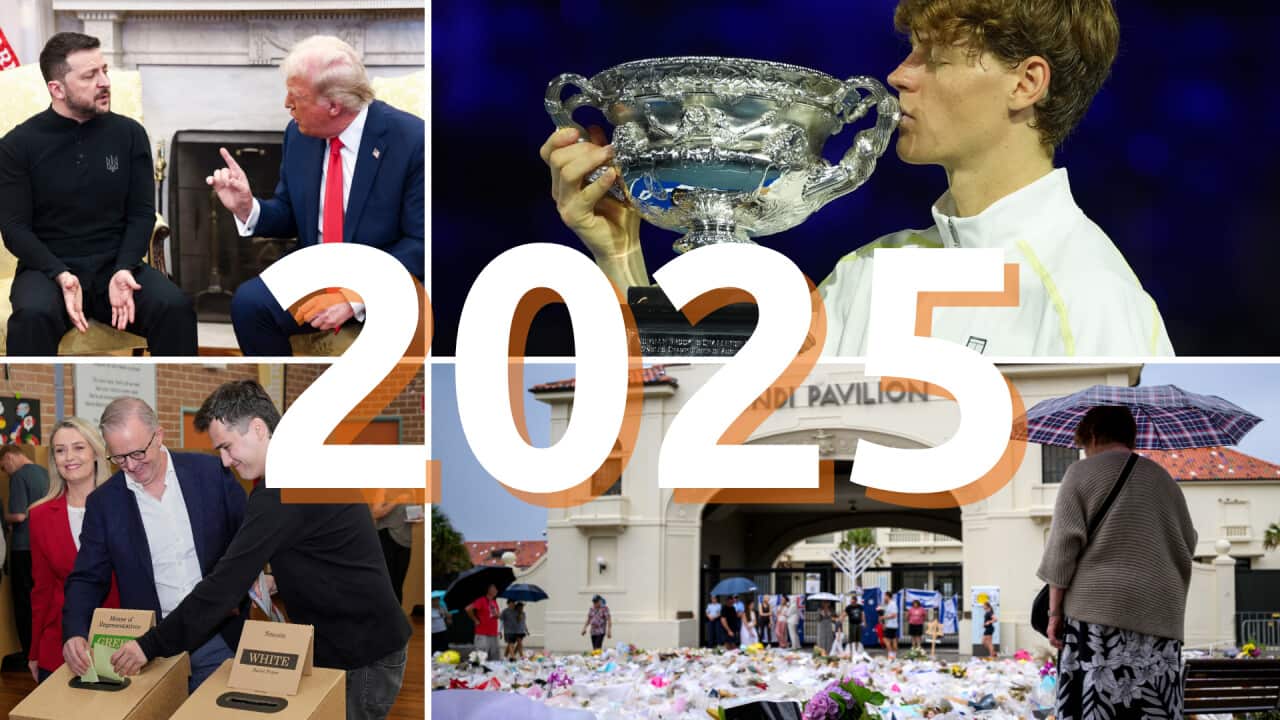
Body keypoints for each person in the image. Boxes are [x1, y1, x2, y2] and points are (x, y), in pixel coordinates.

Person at [538, 0, 1172, 358]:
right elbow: (710, 396)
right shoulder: (872, 269)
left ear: (1025, 83)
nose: (899, 76)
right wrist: (620, 254)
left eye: (933, 57)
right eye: (908, 52)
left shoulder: (1092, 295)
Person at [108, 380, 412, 720]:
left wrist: (148, 645)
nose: (224, 461)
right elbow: (329, 548)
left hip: (362, 654)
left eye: (226, 446)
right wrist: (275, 581)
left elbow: (222, 587)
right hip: (362, 642)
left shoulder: (281, 490)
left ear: (256, 428)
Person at [206, 35, 424, 356]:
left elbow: (421, 243)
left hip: (383, 279)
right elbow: (289, 213)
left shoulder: (413, 141)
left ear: (333, 105)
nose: (286, 104)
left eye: (296, 96)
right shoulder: (299, 134)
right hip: (315, 271)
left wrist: (357, 295)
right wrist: (248, 207)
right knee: (250, 304)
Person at [0, 32, 197, 356]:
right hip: (49, 269)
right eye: (90, 75)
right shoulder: (16, 146)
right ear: (57, 89)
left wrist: (124, 267)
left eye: (104, 70)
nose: (104, 82)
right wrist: (60, 274)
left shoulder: (130, 134)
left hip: (116, 264)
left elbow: (141, 213)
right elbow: (15, 229)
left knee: (175, 307)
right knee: (31, 316)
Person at [62, 397, 247, 693]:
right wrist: (75, 631)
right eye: (119, 458)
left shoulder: (211, 474)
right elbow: (87, 576)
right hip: (149, 648)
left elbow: (248, 538)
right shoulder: (104, 503)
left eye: (137, 453)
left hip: (218, 635)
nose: (131, 466)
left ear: (158, 436)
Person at [1037, 405, 1196, 719]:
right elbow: (1188, 540)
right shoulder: (1163, 479)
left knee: (1097, 706)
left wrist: (1054, 614)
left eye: (1083, 445)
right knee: (1152, 707)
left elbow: (1062, 549)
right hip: (1160, 616)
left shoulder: (1080, 473)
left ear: (1093, 435)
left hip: (1097, 614)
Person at [27, 419, 119, 682]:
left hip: (119, 644)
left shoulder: (124, 505)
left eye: (78, 447)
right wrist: (34, 651)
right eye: (60, 450)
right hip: (59, 648)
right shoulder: (40, 516)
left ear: (95, 453)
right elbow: (41, 590)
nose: (69, 457)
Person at [0, 444, 48, 664]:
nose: (5, 472)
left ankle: (29, 652)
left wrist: (3, 517)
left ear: (9, 457)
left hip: (22, 547)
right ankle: (42, 648)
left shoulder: (18, 477)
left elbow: (19, 515)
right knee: (40, 600)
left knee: (23, 601)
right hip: (42, 546)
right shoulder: (43, 472)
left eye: (3, 467)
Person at [371, 500, 413, 604]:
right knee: (386, 583)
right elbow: (375, 513)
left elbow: (413, 517)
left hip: (405, 542)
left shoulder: (412, 492)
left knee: (398, 584)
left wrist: (417, 516)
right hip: (387, 538)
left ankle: (396, 618)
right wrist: (397, 500)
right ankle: (382, 617)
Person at [467, 585, 501, 660]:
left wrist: (497, 614)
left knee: (494, 657)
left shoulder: (494, 601)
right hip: (482, 633)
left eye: (496, 589)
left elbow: (498, 615)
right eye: (494, 588)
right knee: (481, 657)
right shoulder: (481, 600)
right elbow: (468, 609)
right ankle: (479, 671)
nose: (496, 590)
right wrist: (475, 620)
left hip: (493, 633)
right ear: (488, 590)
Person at [881, 592, 900, 657]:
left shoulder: (893, 604)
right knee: (893, 639)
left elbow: (894, 615)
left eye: (885, 596)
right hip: (888, 625)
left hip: (891, 625)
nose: (884, 597)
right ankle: (893, 655)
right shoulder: (887, 604)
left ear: (888, 596)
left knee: (886, 639)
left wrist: (884, 617)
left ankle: (891, 654)